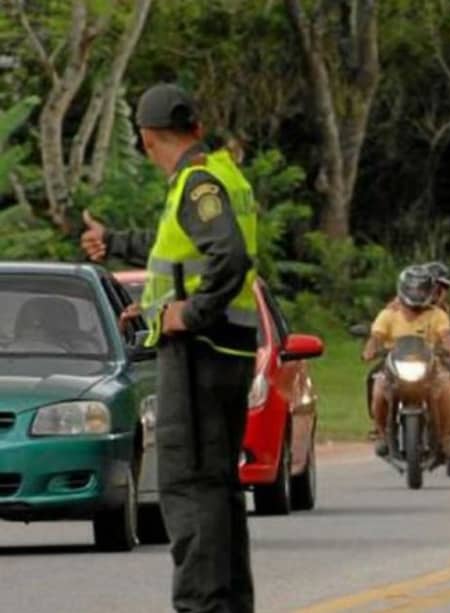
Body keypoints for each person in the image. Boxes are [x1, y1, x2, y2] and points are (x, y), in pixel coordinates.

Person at [80, 83, 257, 613]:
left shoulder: (198, 184)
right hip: (226, 352)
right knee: (217, 489)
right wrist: (119, 249)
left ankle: (202, 606)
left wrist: (190, 313)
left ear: (146, 138)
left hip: (199, 352)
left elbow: (229, 256)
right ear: (196, 128)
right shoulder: (219, 175)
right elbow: (177, 251)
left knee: (189, 487)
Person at [362, 265, 450, 458]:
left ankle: (446, 435)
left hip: (430, 368)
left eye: (421, 290)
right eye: (413, 290)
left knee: (448, 389)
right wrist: (370, 350)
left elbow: (447, 337)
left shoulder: (437, 315)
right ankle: (380, 433)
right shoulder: (389, 314)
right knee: (379, 390)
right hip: (394, 367)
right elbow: (376, 337)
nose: (417, 294)